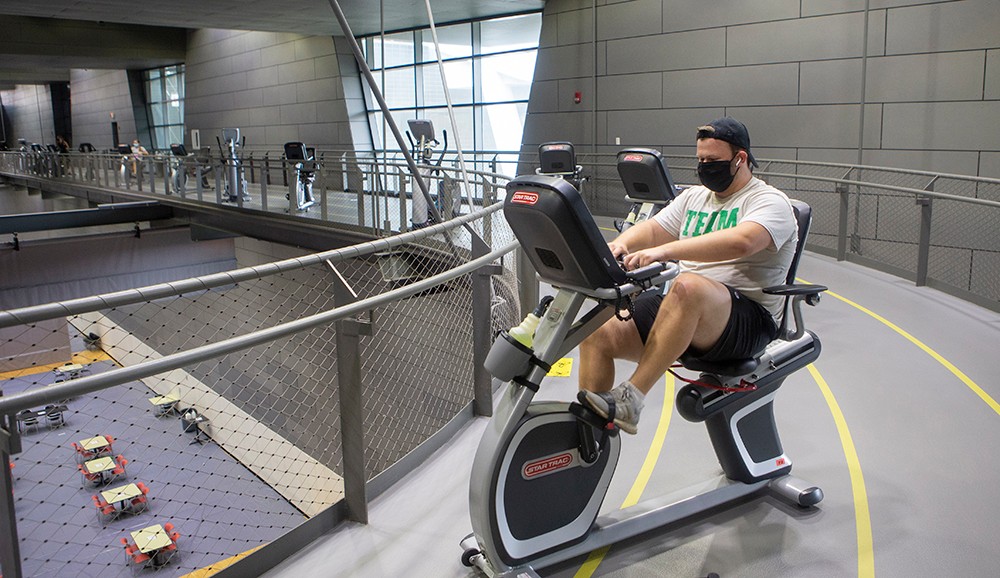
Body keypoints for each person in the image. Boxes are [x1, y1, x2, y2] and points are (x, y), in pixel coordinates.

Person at [578, 117, 798, 434]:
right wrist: (620, 243)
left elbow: (743, 241)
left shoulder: (768, 201)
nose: (706, 167)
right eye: (701, 160)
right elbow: (655, 228)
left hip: (747, 318)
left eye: (714, 161)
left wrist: (666, 251)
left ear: (741, 159)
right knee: (597, 332)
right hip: (687, 309)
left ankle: (631, 400)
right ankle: (593, 433)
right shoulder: (695, 197)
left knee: (687, 285)